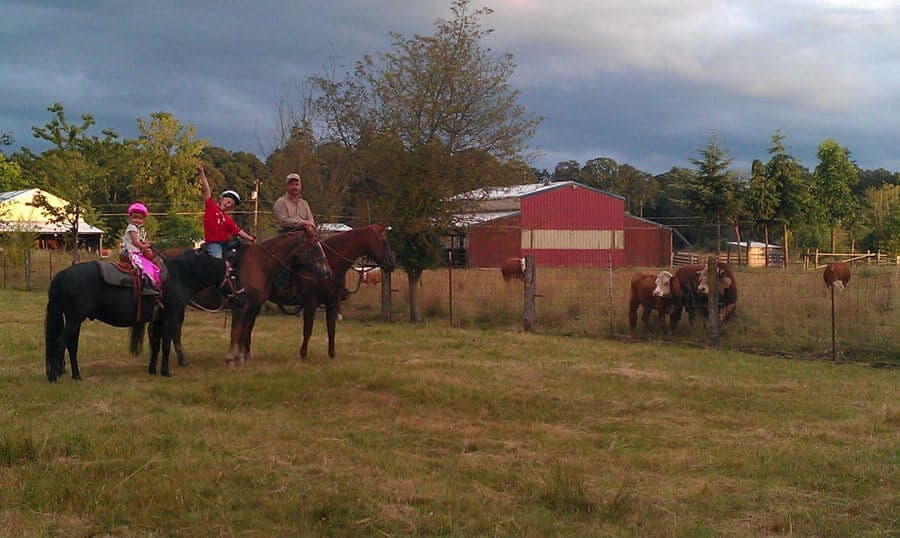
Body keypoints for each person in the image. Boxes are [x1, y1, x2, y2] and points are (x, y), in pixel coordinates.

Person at [198, 164, 256, 257]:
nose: (228, 205)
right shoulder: (211, 206)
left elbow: (238, 231)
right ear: (221, 199)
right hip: (214, 244)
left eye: (231, 205)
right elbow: (207, 190)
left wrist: (251, 239)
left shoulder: (228, 219)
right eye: (228, 201)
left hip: (226, 244)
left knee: (241, 257)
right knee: (217, 260)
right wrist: (202, 174)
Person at [121, 202, 161, 291]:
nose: (138, 220)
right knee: (145, 266)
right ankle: (146, 285)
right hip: (130, 252)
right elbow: (135, 242)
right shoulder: (132, 227)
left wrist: (144, 243)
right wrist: (144, 246)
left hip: (134, 251)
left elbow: (137, 240)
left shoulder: (136, 228)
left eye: (140, 218)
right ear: (129, 218)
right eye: (135, 217)